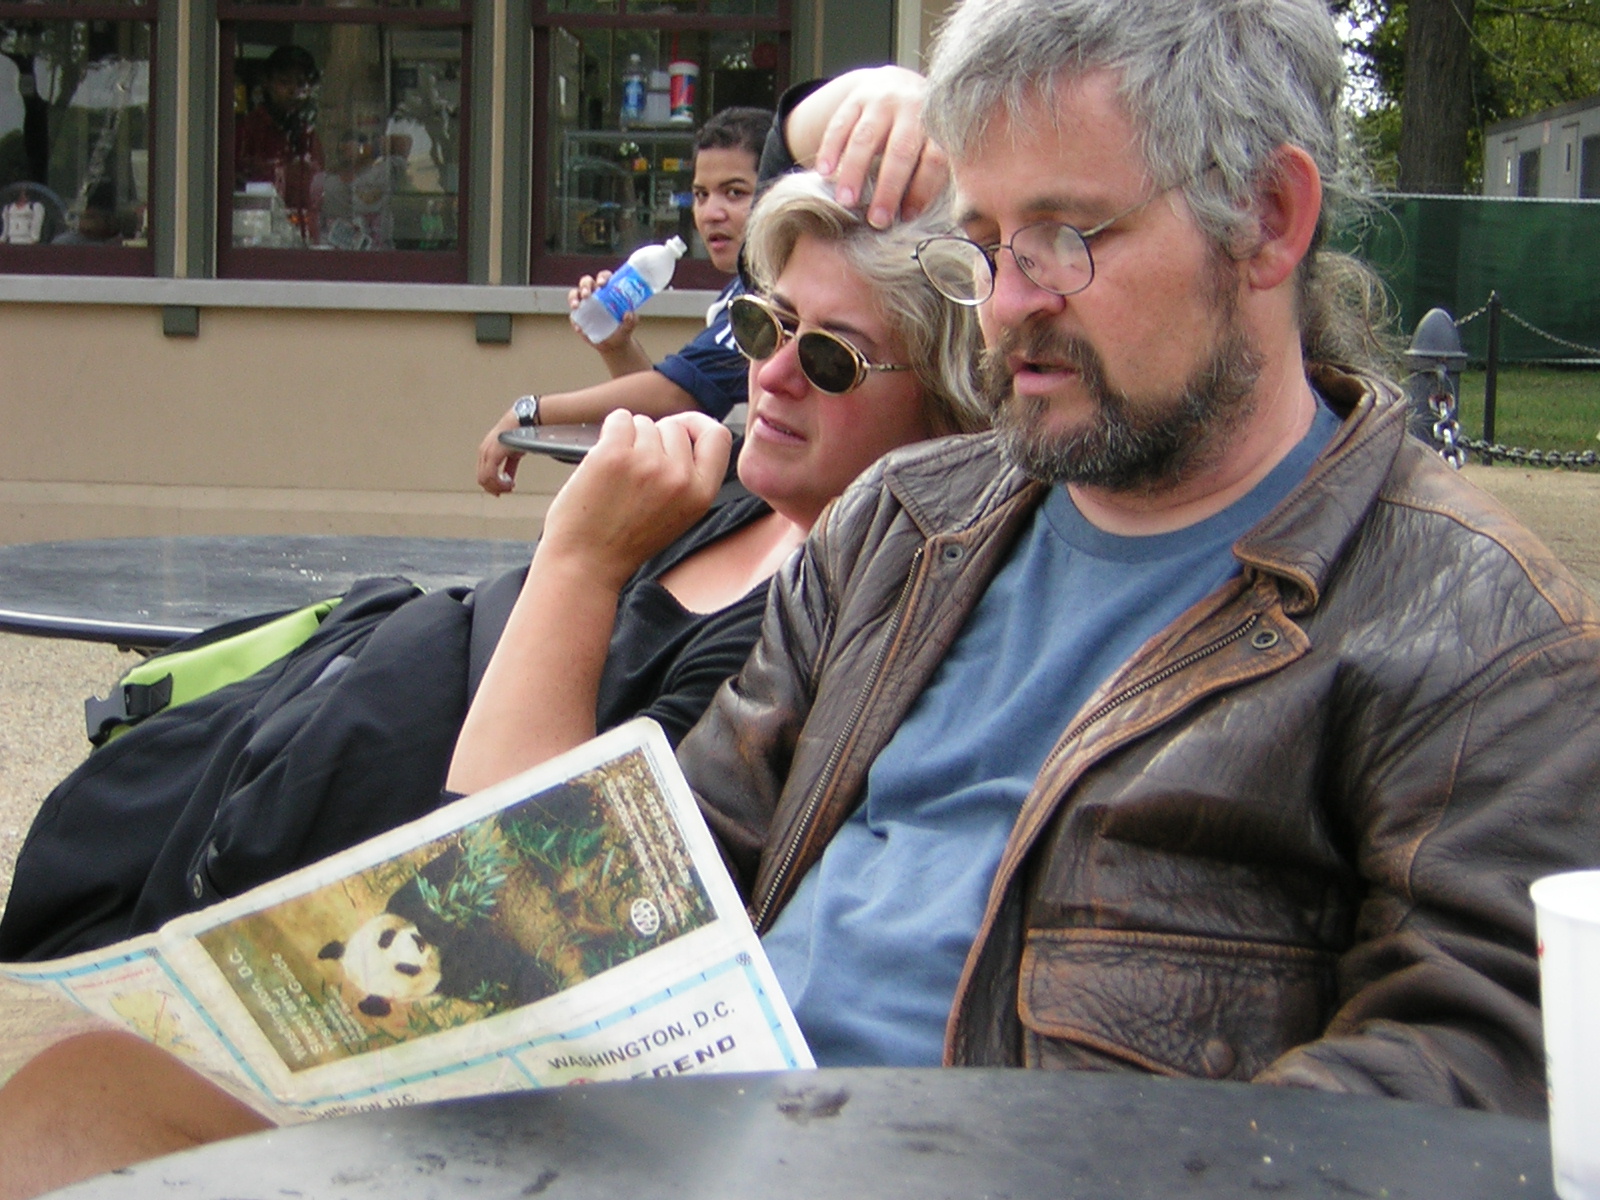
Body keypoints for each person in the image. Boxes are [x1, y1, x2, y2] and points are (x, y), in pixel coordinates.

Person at [677, 1, 1600, 1113]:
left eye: (1064, 239)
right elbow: (673, 873)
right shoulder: (895, 525)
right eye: (981, 244)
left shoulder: (1486, 639)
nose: (1006, 304)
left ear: (1266, 219)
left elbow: (1464, 1069)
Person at [0, 165, 987, 1199]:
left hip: (416, 1004)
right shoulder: (733, 491)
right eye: (763, 325)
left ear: (945, 410)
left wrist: (580, 558)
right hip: (266, 787)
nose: (773, 374)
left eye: (829, 357)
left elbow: (519, 889)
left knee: (70, 1111)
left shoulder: (820, 623)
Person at [476, 106, 772, 496]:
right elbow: (675, 412)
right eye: (701, 194)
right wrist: (618, 347)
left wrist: (529, 412)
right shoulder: (740, 288)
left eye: (734, 193)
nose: (710, 213)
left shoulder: (775, 292)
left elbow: (675, 396)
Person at [235, 45, 324, 241]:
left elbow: (318, 192)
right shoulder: (247, 131)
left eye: (301, 83)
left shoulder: (308, 134)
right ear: (267, 83)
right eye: (284, 82)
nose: (293, 91)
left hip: (301, 236)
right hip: (256, 233)